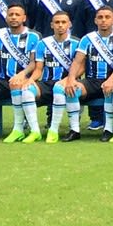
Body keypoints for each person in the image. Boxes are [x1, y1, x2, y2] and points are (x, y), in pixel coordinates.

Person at [0, 4, 41, 141]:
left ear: (24, 18)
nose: (13, 17)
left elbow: (33, 63)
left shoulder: (34, 36)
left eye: (17, 15)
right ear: (6, 17)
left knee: (16, 84)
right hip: (1, 81)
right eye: (10, 14)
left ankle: (18, 129)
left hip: (23, 81)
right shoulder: (0, 34)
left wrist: (22, 74)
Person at [68, 5, 113, 142]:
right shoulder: (87, 39)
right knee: (71, 89)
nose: (104, 20)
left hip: (111, 80)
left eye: (107, 17)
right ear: (95, 20)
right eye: (100, 17)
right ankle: (74, 130)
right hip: (91, 81)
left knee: (112, 89)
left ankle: (108, 129)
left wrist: (111, 79)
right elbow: (78, 61)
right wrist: (71, 79)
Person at [31, 10, 81, 143]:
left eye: (63, 22)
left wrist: (69, 79)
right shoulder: (43, 43)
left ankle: (55, 130)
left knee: (61, 89)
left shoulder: (77, 43)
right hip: (47, 83)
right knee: (26, 91)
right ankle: (33, 131)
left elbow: (81, 67)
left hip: (70, 82)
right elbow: (38, 69)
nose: (60, 25)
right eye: (57, 22)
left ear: (69, 24)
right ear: (51, 25)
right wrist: (30, 81)